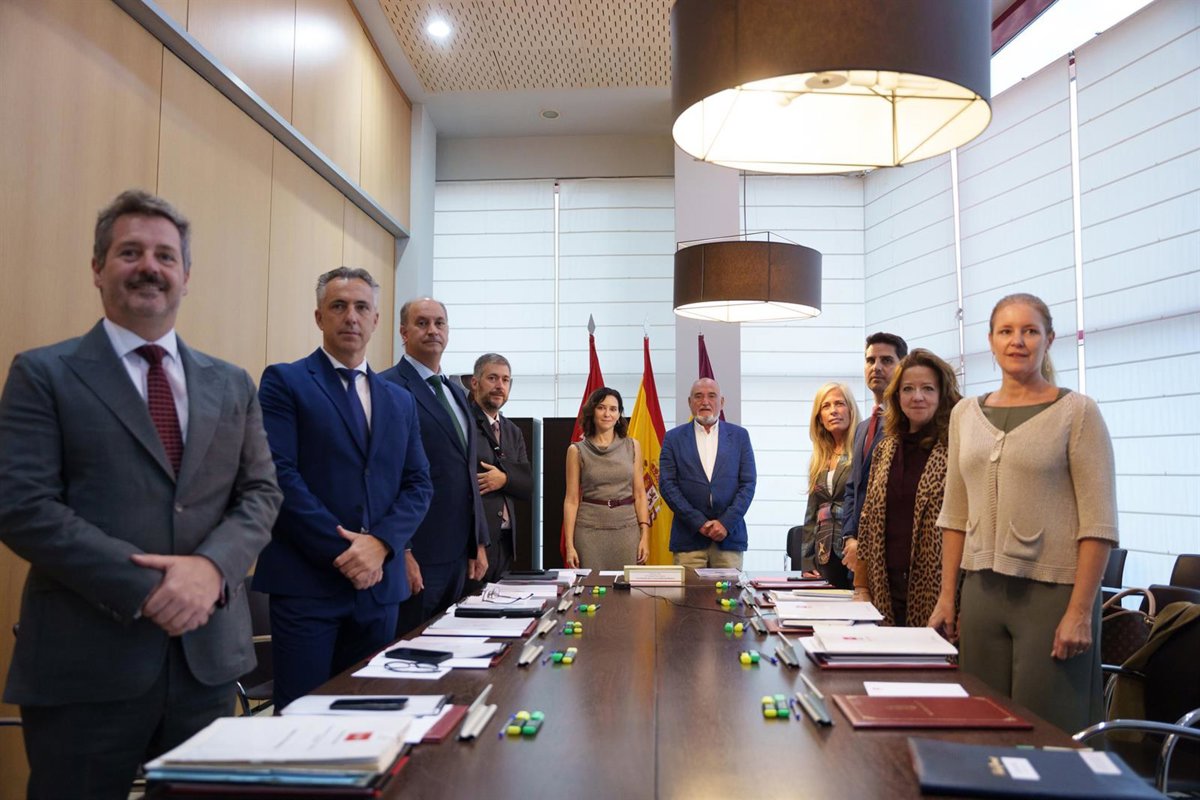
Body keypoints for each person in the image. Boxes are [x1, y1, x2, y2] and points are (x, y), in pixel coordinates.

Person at [0, 190, 282, 799]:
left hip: (208, 662)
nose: (149, 266)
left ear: (186, 276)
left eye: (165, 255)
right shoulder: (43, 374)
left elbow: (261, 493)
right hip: (86, 665)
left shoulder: (230, 383)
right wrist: (150, 588)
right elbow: (22, 507)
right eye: (130, 253)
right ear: (97, 268)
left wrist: (210, 570)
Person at [930, 293, 1117, 733]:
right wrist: (947, 597)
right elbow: (955, 514)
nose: (1018, 341)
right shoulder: (964, 414)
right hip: (981, 593)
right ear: (991, 341)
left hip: (1054, 596)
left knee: (1049, 729)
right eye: (1006, 331)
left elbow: (1099, 523)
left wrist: (1079, 612)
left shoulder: (1078, 412)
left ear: (1048, 340)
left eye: (1030, 331)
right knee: (983, 723)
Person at [252, 268, 433, 710]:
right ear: (319, 317)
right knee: (303, 719)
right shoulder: (285, 382)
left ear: (376, 320)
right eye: (338, 306)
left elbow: (418, 483)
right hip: (308, 585)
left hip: (380, 589)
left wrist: (381, 545)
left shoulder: (400, 400)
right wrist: (349, 553)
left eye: (361, 307)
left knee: (366, 716)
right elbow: (279, 475)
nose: (351, 316)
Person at [380, 298, 488, 634]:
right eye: (422, 323)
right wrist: (401, 550)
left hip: (459, 557)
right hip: (417, 555)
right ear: (403, 332)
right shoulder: (387, 387)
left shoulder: (456, 393)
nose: (432, 330)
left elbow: (467, 473)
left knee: (450, 648)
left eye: (439, 323)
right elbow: (386, 476)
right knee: (411, 651)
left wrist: (478, 541)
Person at [853, 350, 961, 626]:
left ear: (943, 394)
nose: (917, 397)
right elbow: (867, 520)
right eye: (908, 389)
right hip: (883, 589)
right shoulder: (885, 449)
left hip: (939, 592)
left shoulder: (958, 448)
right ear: (897, 396)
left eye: (928, 389)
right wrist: (860, 586)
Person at [659, 378, 758, 570]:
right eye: (698, 396)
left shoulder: (740, 436)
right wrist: (699, 522)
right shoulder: (673, 438)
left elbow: (748, 484)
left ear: (722, 402)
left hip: (729, 538)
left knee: (730, 591)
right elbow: (667, 485)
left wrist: (725, 523)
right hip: (689, 539)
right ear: (690, 402)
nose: (705, 402)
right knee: (688, 591)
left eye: (712, 396)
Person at [840, 332, 907, 577]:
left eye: (886, 360)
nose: (876, 367)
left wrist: (867, 544)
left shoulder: (907, 424)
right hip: (856, 554)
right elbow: (852, 489)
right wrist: (850, 537)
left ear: (903, 366)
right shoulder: (861, 428)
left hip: (891, 555)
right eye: (870, 360)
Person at [464, 353, 532, 589]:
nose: (500, 386)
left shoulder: (512, 431)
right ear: (475, 383)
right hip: (475, 543)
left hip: (505, 542)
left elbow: (527, 485)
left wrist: (504, 479)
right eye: (492, 378)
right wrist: (476, 542)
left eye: (505, 380)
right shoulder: (463, 424)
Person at [563, 387, 650, 570]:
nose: (607, 414)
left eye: (613, 409)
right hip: (589, 531)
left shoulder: (632, 446)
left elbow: (640, 494)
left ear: (619, 415)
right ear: (592, 411)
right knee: (591, 585)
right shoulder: (576, 450)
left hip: (627, 530)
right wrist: (569, 546)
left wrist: (645, 535)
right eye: (601, 408)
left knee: (626, 586)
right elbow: (571, 500)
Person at [799, 382, 860, 586]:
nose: (833, 411)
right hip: (824, 553)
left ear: (851, 410)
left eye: (839, 403)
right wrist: (807, 560)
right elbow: (812, 512)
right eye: (826, 406)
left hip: (854, 549)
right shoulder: (819, 458)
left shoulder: (862, 449)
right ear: (819, 418)